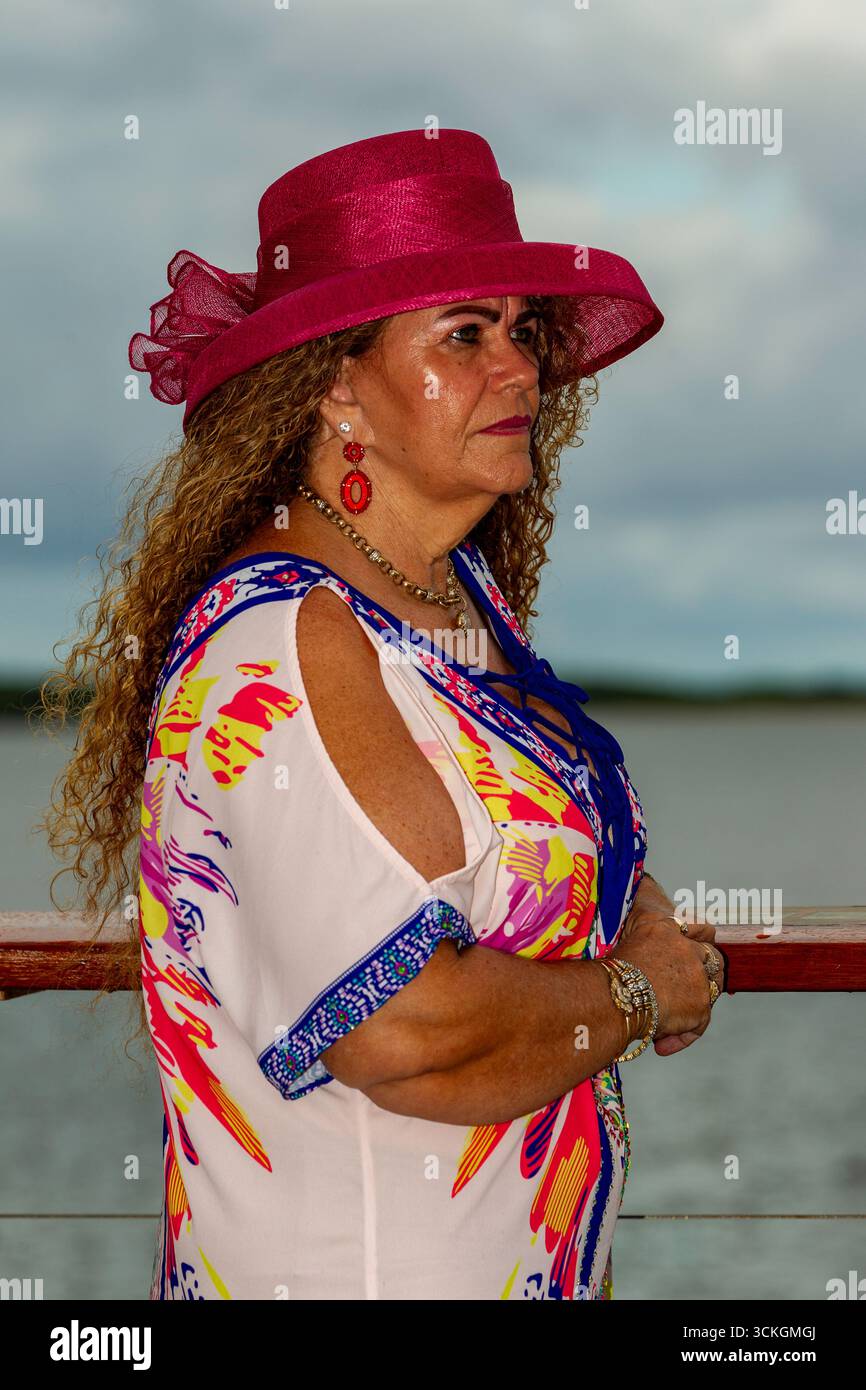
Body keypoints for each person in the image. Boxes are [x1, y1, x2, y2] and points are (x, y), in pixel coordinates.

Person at [45, 127, 724, 1302]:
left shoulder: (446, 603)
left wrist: (615, 899)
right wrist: (637, 991)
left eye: (522, 330)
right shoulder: (285, 651)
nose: (517, 368)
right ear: (333, 388)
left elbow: (510, 845)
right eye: (462, 335)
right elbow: (404, 1032)